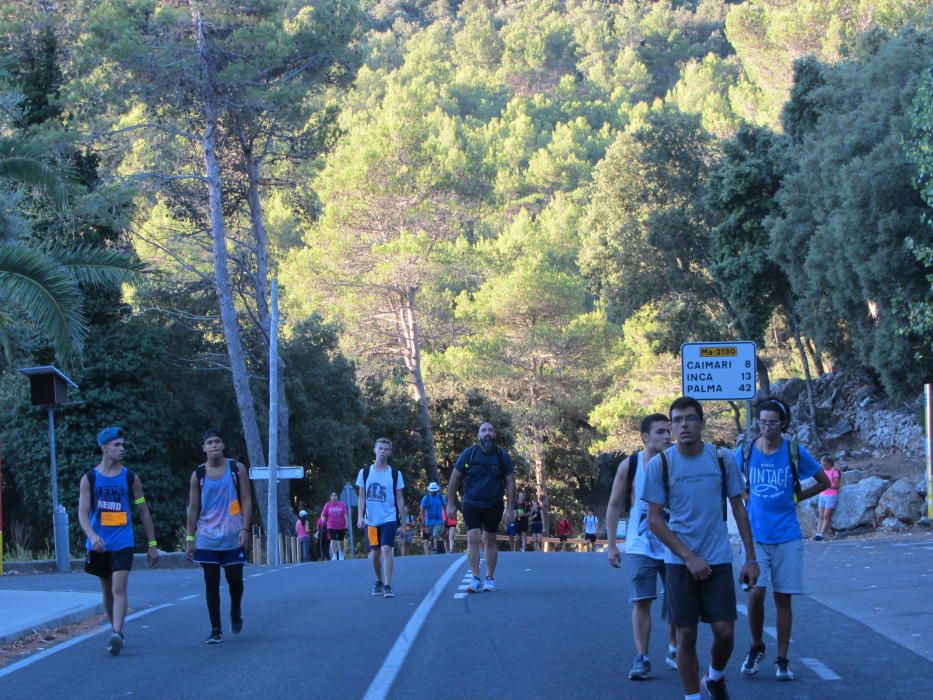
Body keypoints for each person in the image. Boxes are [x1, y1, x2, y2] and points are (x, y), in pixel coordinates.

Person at [643, 397, 759, 700]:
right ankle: (692, 696)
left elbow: (739, 508)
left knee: (725, 632)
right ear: (671, 426)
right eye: (677, 420)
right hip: (680, 563)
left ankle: (715, 677)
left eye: (690, 419)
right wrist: (688, 556)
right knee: (686, 636)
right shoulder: (661, 465)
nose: (683, 425)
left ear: (702, 423)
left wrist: (750, 558)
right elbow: (655, 521)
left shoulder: (722, 458)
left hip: (718, 557)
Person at [737, 398, 829, 682]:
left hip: (787, 535)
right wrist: (745, 496)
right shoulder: (747, 450)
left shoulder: (793, 451)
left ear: (783, 424)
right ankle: (756, 646)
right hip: (756, 536)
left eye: (772, 423)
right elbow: (731, 477)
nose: (766, 428)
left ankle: (782, 658)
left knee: (783, 598)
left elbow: (824, 481)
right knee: (755, 593)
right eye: (762, 422)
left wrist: (796, 497)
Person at [606, 413, 679, 681]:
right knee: (642, 600)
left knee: (677, 600)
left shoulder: (678, 462)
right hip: (640, 545)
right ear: (645, 437)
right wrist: (612, 545)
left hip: (673, 544)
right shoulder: (632, 464)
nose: (666, 436)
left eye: (667, 431)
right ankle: (642, 657)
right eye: (660, 432)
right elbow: (615, 504)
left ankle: (674, 648)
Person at [78, 426, 159, 656]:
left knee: (119, 586)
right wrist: (92, 536)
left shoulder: (131, 477)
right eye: (117, 445)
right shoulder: (90, 478)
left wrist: (152, 544)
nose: (122, 449)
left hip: (123, 540)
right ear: (104, 448)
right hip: (99, 543)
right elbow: (82, 513)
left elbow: (143, 511)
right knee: (106, 589)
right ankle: (113, 626)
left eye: (123, 445)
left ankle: (117, 632)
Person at [185, 428, 252, 644]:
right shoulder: (198, 475)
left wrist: (245, 528)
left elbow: (246, 498)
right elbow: (193, 508)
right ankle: (215, 628)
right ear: (204, 448)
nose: (214, 445)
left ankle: (235, 610)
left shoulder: (236, 469)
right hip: (206, 536)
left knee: (235, 581)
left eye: (217, 442)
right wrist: (190, 539)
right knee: (211, 582)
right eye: (210, 442)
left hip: (233, 534)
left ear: (223, 445)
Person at [447, 422, 516, 592]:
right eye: (483, 431)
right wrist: (450, 504)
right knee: (473, 538)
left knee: (490, 539)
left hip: (494, 503)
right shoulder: (469, 454)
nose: (487, 433)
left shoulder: (502, 456)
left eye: (490, 430)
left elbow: (510, 481)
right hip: (471, 502)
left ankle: (490, 578)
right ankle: (475, 577)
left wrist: (510, 508)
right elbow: (455, 478)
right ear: (478, 436)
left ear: (494, 435)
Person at [356, 438, 408, 598]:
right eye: (380, 448)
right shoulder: (365, 473)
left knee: (386, 549)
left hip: (389, 518)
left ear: (390, 452)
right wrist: (359, 517)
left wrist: (404, 522)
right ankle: (378, 580)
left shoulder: (395, 474)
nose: (383, 452)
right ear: (375, 450)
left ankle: (387, 585)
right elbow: (362, 497)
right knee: (374, 552)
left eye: (386, 449)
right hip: (371, 521)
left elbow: (399, 498)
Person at [815, 456, 842, 541]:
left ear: (830, 464)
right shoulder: (823, 471)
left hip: (831, 496)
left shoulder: (835, 472)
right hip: (822, 495)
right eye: (822, 465)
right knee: (820, 516)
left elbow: (836, 486)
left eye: (825, 465)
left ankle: (821, 534)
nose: (823, 467)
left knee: (826, 516)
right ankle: (817, 533)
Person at [419, 482, 447, 553]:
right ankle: (431, 550)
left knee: (435, 534)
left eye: (434, 491)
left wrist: (446, 518)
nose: (432, 492)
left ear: (436, 491)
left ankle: (435, 549)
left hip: (439, 520)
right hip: (428, 521)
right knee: (430, 536)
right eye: (431, 490)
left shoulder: (441, 497)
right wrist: (423, 520)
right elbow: (422, 509)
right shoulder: (426, 498)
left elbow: (445, 507)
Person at [321, 491, 349, 561]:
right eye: (332, 496)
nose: (334, 497)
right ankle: (334, 555)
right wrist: (323, 519)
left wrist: (347, 523)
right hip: (331, 526)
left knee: (341, 541)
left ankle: (341, 554)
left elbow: (345, 515)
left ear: (337, 497)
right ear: (330, 497)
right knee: (332, 540)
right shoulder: (327, 505)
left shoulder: (342, 505)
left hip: (341, 526)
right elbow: (323, 515)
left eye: (335, 496)